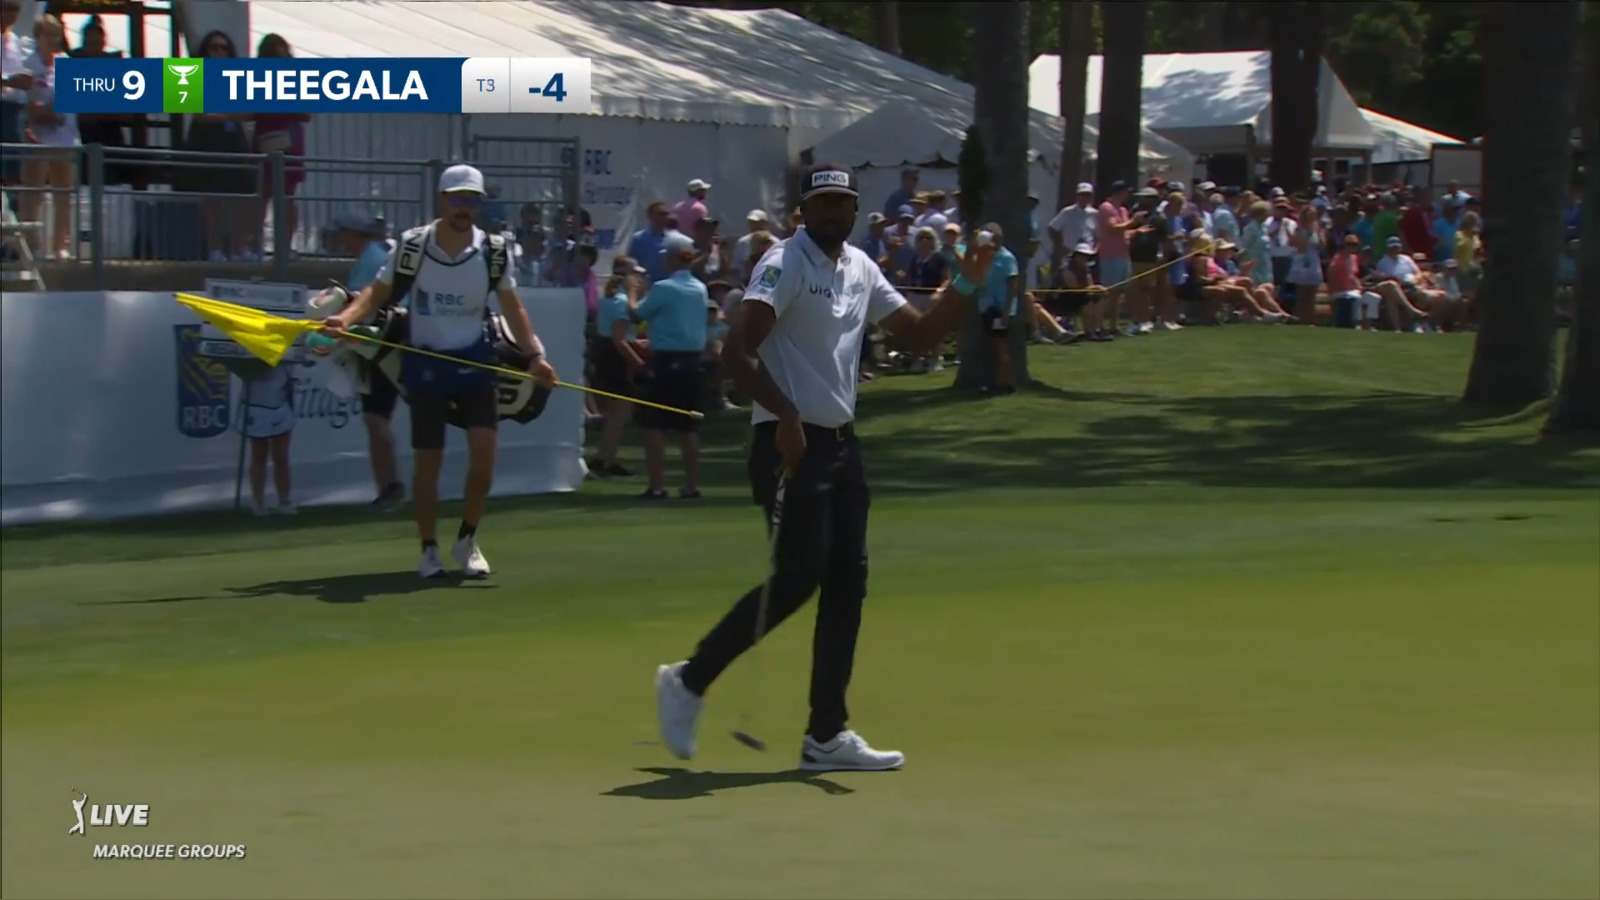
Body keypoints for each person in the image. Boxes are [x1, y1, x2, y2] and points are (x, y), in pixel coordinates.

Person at [653, 162, 997, 771]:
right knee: (798, 576)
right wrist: (785, 417)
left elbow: (919, 338)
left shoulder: (860, 266)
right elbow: (737, 353)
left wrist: (966, 287)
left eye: (844, 204)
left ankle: (826, 735)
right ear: (802, 213)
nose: (835, 214)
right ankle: (688, 680)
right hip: (786, 442)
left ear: (856, 209)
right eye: (824, 205)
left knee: (847, 582)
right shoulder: (783, 263)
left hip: (839, 441)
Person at [320, 164, 559, 579]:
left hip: (475, 360)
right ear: (442, 199)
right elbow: (377, 294)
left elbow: (512, 307)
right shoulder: (413, 245)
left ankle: (467, 540)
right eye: (456, 198)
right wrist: (345, 318)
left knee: (484, 456)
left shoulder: (494, 251)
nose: (463, 207)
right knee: (428, 463)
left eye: (472, 199)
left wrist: (534, 355)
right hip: (426, 363)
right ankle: (428, 549)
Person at [629, 231, 708, 500]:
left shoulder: (664, 288)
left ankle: (657, 485)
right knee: (688, 427)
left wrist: (632, 291)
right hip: (693, 362)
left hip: (666, 363)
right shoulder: (700, 287)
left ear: (672, 259)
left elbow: (636, 314)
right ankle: (692, 484)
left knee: (653, 425)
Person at [181, 30, 255, 261]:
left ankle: (238, 248)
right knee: (211, 198)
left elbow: (250, 112)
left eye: (223, 48)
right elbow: (199, 114)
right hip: (206, 141)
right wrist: (228, 115)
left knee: (240, 196)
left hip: (233, 142)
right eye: (213, 47)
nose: (219, 52)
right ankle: (213, 248)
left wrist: (226, 114)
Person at [20, 13, 76, 259]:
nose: (54, 39)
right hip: (36, 138)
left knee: (63, 193)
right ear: (38, 37)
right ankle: (30, 246)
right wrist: (41, 113)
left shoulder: (66, 63)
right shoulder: (28, 64)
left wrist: (53, 111)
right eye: (48, 34)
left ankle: (60, 246)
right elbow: (26, 102)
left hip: (64, 136)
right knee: (33, 193)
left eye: (57, 34)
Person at [252, 33, 310, 260]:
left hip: (286, 140)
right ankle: (259, 245)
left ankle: (283, 246)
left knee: (284, 196)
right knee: (264, 194)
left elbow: (306, 113)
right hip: (269, 138)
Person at [588, 269, 644, 478]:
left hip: (603, 353)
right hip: (614, 359)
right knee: (620, 414)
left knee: (615, 414)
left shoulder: (608, 300)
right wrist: (638, 362)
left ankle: (606, 458)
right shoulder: (622, 303)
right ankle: (603, 460)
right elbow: (619, 339)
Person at [240, 361, 296, 517]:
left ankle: (284, 501)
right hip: (255, 402)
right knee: (259, 455)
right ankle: (258, 502)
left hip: (281, 401)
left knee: (281, 456)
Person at [977, 222, 1020, 393]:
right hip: (986, 307)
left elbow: (1013, 285)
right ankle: (993, 381)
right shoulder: (985, 257)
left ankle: (1006, 383)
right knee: (990, 346)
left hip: (1000, 309)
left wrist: (1006, 311)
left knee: (1001, 346)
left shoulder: (1007, 258)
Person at [1095, 180, 1133, 334]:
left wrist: (1136, 231)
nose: (1128, 195)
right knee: (1108, 291)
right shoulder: (1106, 207)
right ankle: (1098, 325)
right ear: (1120, 192)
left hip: (1123, 255)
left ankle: (1113, 325)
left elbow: (1124, 231)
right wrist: (1133, 222)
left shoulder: (1123, 210)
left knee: (1118, 292)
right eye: (1126, 192)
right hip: (1111, 255)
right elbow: (1112, 228)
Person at [0, 0, 31, 187]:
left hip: (15, 109)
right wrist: (8, 81)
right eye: (4, 8)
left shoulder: (19, 43)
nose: (9, 13)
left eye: (14, 9)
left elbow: (27, 79)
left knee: (14, 161)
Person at [1047, 182, 1097, 271]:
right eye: (1082, 194)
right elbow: (1052, 228)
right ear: (1077, 196)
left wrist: (1095, 250)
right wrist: (1060, 246)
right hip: (1069, 254)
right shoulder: (1067, 212)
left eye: (1087, 195)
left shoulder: (1095, 214)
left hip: (1086, 256)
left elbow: (1099, 235)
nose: (1084, 198)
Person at [626, 201, 671, 283]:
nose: (664, 217)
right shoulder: (638, 239)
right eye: (660, 214)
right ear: (650, 216)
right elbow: (631, 264)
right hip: (646, 287)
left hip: (667, 287)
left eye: (666, 214)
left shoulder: (674, 239)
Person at [731, 209, 771, 275]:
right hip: (746, 281)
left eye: (756, 222)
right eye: (751, 222)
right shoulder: (742, 242)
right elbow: (736, 266)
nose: (753, 225)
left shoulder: (776, 242)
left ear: (764, 223)